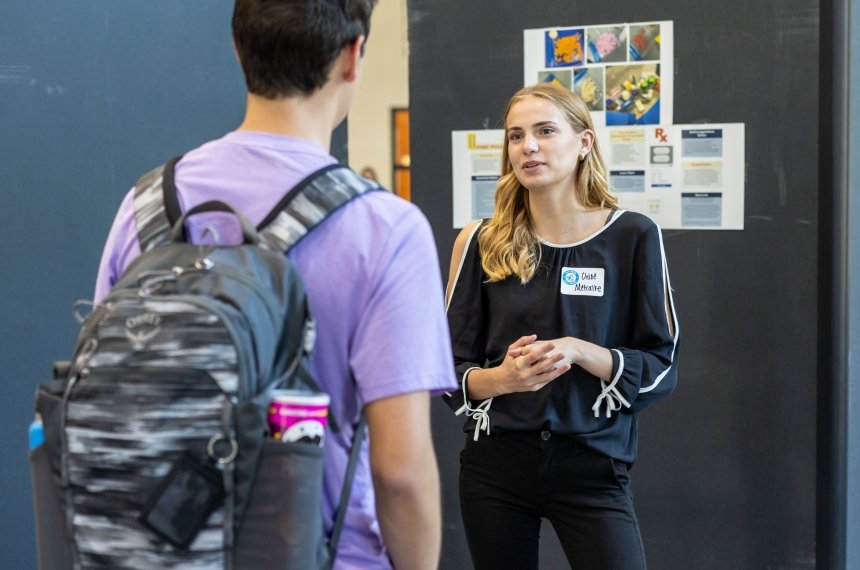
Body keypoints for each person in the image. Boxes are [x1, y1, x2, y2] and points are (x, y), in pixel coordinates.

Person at [93, 1, 457, 568]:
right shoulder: (386, 229)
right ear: (352, 55)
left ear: (240, 51)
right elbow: (400, 471)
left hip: (163, 548)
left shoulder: (144, 208)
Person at [444, 82, 679, 569]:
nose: (527, 146)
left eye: (545, 131)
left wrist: (580, 350)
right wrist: (502, 379)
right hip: (495, 467)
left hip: (592, 465)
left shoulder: (633, 235)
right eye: (515, 136)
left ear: (584, 143)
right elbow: (445, 370)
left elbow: (661, 366)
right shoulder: (479, 241)